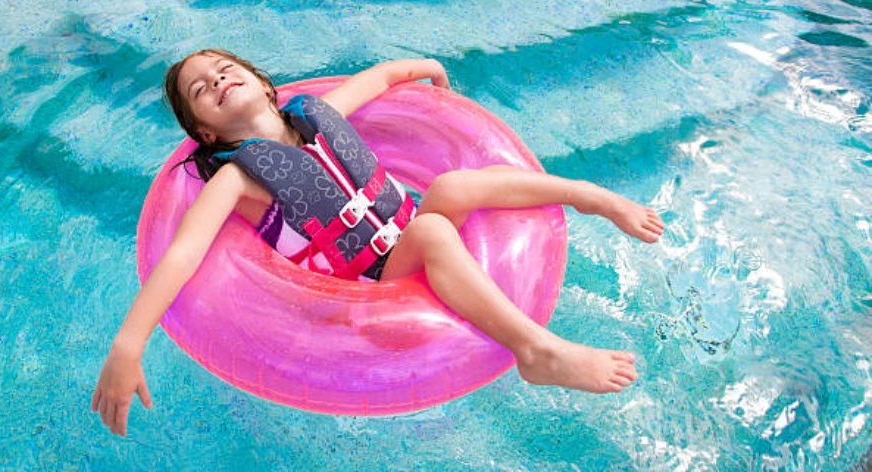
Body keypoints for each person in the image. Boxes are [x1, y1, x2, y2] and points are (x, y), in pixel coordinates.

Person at [92, 49, 665, 436]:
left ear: (265, 86)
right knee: (435, 229)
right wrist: (127, 345)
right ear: (206, 132)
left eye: (223, 68)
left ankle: (588, 194)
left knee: (452, 187)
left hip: (404, 229)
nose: (217, 79)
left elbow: (381, 77)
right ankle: (537, 351)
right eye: (202, 88)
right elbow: (184, 253)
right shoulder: (238, 178)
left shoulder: (319, 115)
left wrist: (428, 67)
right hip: (367, 279)